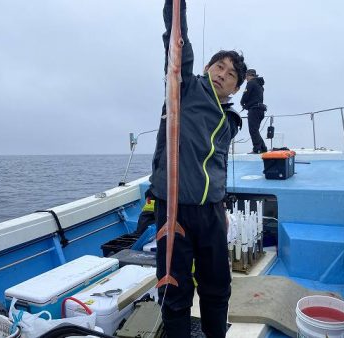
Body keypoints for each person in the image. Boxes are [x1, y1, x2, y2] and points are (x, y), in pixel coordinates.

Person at [148, 0, 247, 337]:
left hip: (211, 214)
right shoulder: (186, 88)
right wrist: (177, 6)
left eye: (231, 74)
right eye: (218, 66)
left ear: (236, 88)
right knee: (174, 291)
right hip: (173, 209)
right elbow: (177, 41)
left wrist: (221, 209)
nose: (222, 74)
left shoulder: (231, 119)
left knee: (217, 287)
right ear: (206, 68)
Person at [240, 69, 268, 154]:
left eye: (246, 77)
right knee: (255, 130)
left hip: (254, 110)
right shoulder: (260, 85)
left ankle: (257, 149)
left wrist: (242, 103)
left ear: (248, 75)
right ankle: (263, 148)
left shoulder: (251, 83)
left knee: (253, 130)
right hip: (260, 110)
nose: (246, 79)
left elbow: (245, 96)